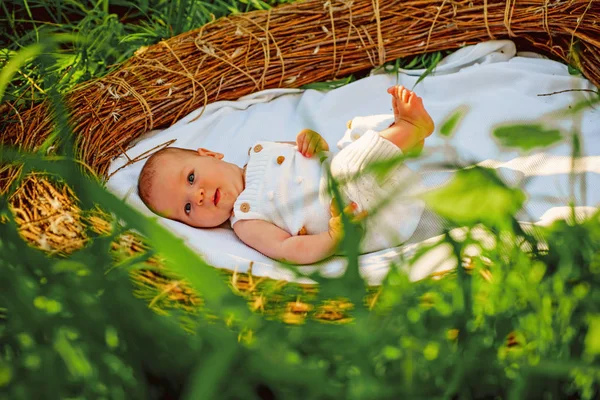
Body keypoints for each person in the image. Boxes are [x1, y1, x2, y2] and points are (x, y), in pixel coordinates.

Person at [137, 86, 434, 264]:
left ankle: (405, 140)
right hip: (360, 212)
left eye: (191, 179)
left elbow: (315, 153)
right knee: (347, 168)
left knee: (351, 134)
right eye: (187, 208)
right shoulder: (246, 221)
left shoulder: (260, 150)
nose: (198, 196)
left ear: (210, 154)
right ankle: (408, 131)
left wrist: (312, 140)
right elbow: (287, 249)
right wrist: (333, 238)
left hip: (369, 177)